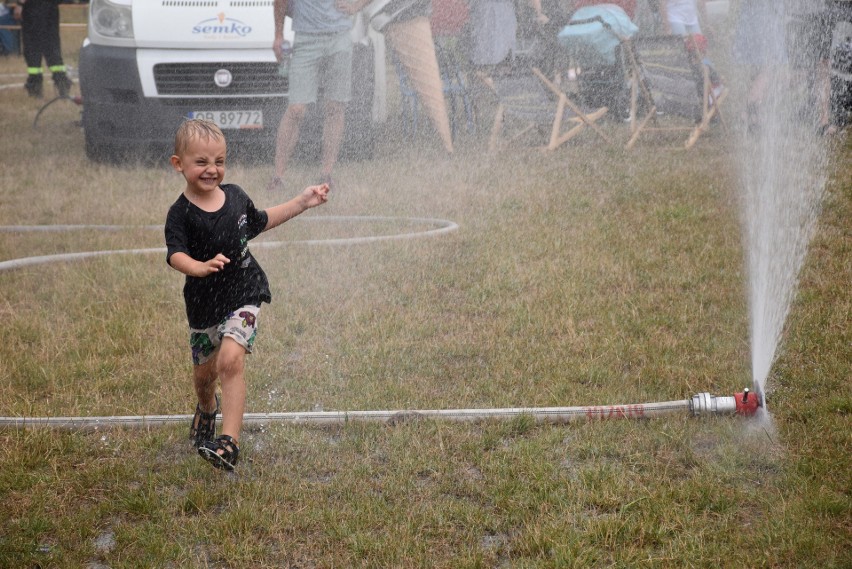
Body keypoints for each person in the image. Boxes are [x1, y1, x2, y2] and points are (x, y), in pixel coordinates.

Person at [165, 118, 329, 471]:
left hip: (245, 292)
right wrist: (198, 266)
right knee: (204, 377)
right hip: (203, 305)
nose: (212, 170)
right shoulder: (180, 214)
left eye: (219, 161)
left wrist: (302, 202)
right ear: (179, 164)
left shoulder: (236, 197)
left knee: (230, 360)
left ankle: (229, 442)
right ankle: (207, 409)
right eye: (202, 162)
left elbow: (262, 220)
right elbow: (175, 254)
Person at [269, 0, 371, 193]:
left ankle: (326, 173)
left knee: (335, 106)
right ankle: (278, 176)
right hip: (306, 38)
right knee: (296, 109)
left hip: (339, 36)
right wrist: (278, 35)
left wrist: (356, 5)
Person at [13, 0, 72, 98]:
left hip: (33, 9)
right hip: (51, 8)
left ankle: (35, 86)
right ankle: (62, 82)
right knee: (52, 46)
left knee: (32, 49)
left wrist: (20, 4)